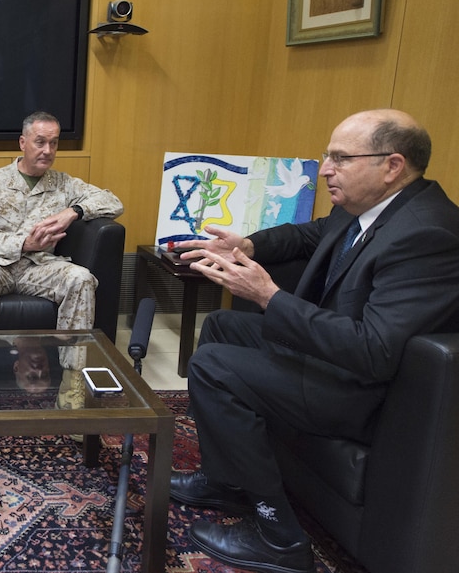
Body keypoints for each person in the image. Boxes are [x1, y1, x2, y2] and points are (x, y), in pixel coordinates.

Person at [171, 109, 459, 573]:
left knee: (214, 367)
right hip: (330, 359)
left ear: (392, 165)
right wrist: (247, 246)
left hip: (364, 390)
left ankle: (279, 537)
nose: (325, 169)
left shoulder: (428, 234)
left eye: (341, 158)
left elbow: (375, 350)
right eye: (328, 156)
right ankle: (227, 481)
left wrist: (268, 295)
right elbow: (309, 234)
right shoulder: (369, 208)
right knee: (223, 328)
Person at [0, 111, 123, 420]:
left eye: (54, 143)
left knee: (81, 278)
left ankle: (72, 385)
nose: (47, 151)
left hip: (39, 268)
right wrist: (23, 243)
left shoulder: (63, 184)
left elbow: (114, 202)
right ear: (23, 143)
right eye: (40, 142)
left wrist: (75, 211)